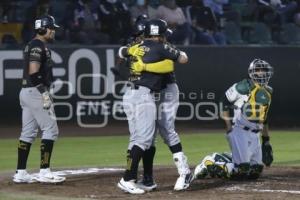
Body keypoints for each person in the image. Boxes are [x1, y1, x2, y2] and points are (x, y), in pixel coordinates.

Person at [117, 19, 188, 194]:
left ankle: (139, 177)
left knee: (153, 133)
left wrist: (138, 59)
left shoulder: (147, 46)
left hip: (150, 91)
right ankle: (133, 178)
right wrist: (130, 52)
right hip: (144, 94)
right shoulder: (149, 46)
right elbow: (181, 59)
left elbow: (174, 62)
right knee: (144, 137)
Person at [194, 59, 274, 181]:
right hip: (239, 130)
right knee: (241, 172)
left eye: (264, 70)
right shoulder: (242, 87)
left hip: (255, 133)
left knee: (255, 172)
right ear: (251, 72)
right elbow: (223, 101)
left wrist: (266, 141)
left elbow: (264, 118)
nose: (261, 73)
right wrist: (228, 126)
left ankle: (223, 158)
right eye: (258, 70)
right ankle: (210, 161)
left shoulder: (268, 91)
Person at [13, 15, 65, 184]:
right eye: (51, 28)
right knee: (51, 129)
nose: (53, 31)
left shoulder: (34, 44)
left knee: (27, 133)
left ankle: (21, 172)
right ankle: (44, 171)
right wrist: (43, 93)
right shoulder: (37, 45)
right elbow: (34, 71)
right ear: (43, 29)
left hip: (26, 92)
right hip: (36, 92)